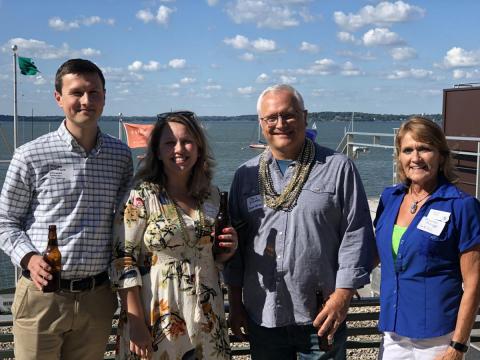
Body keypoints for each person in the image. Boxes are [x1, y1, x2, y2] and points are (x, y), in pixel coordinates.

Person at [223, 84, 376, 359]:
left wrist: (342, 296)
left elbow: (357, 235)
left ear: (304, 117)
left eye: (289, 115)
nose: (280, 124)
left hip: (320, 316)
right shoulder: (244, 176)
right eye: (272, 118)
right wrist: (235, 303)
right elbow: (236, 247)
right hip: (264, 315)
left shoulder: (339, 168)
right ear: (261, 123)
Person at [0, 58, 133, 359]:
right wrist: (29, 258)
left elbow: (125, 222)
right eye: (76, 93)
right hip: (42, 296)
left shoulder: (121, 156)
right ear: (59, 98)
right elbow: (5, 221)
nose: (86, 101)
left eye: (94, 92)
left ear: (104, 97)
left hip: (97, 297)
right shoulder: (30, 155)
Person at [110, 111, 237, 360]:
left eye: (187, 141)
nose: (179, 149)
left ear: (199, 148)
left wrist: (227, 250)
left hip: (207, 314)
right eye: (169, 142)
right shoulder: (141, 196)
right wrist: (136, 322)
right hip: (157, 314)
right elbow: (123, 260)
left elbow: (211, 255)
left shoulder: (211, 195)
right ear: (157, 151)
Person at [374, 116, 480, 360]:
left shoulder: (462, 207)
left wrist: (458, 346)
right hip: (393, 331)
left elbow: (473, 283)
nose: (416, 158)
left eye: (425, 149)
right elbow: (376, 253)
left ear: (441, 156)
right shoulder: (390, 199)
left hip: (438, 338)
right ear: (399, 157)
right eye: (408, 150)